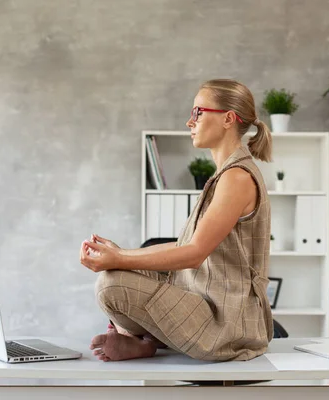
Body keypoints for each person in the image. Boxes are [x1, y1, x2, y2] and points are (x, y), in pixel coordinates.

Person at [80, 79, 273, 362]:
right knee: (115, 273)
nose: (189, 121)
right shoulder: (225, 176)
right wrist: (118, 254)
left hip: (226, 325)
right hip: (200, 300)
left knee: (110, 285)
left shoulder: (237, 178)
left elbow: (193, 254)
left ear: (228, 119)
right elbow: (184, 244)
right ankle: (143, 341)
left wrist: (118, 259)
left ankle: (142, 340)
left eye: (198, 112)